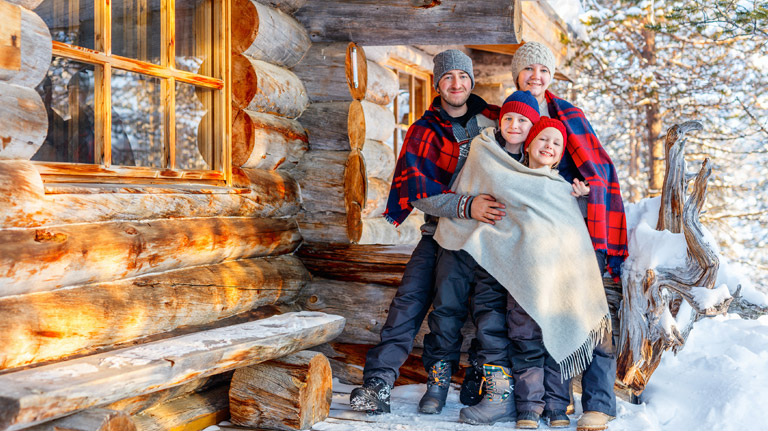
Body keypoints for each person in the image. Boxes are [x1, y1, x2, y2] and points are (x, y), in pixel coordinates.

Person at [349, 49, 503, 414]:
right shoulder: (424, 129)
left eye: (462, 77)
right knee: (409, 301)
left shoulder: (494, 121)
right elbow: (419, 193)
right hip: (438, 233)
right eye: (448, 78)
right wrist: (466, 206)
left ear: (471, 81)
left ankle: (481, 379)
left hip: (486, 237)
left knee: (489, 307)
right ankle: (378, 384)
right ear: (437, 85)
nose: (456, 84)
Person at [508, 41, 629, 431]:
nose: (536, 76)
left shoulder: (569, 114)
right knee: (540, 320)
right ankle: (549, 405)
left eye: (543, 70)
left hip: (578, 227)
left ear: (551, 76)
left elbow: (599, 170)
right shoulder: (510, 114)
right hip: (533, 235)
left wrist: (583, 192)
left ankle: (598, 403)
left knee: (591, 313)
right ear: (517, 75)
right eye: (528, 70)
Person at [415, 90, 541, 417]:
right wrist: (469, 208)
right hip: (459, 238)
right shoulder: (481, 147)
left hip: (499, 250)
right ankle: (437, 382)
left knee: (491, 315)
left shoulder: (535, 161)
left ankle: (498, 389)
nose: (514, 125)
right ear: (500, 120)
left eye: (523, 120)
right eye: (509, 118)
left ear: (533, 127)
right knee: (446, 306)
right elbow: (460, 188)